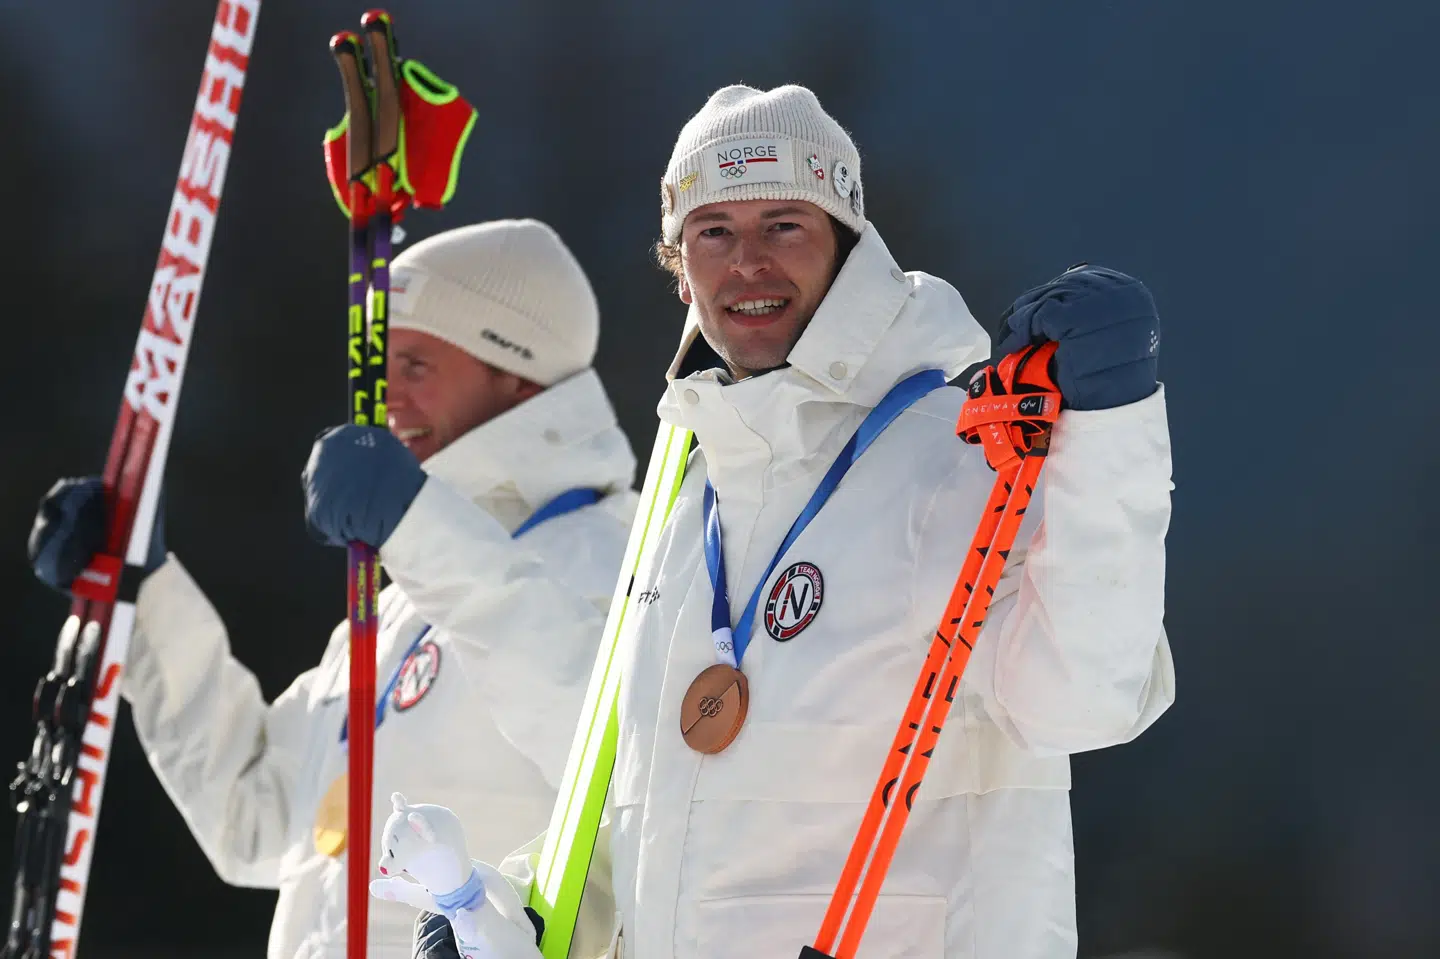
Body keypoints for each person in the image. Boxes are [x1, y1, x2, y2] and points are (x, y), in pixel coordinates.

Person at [406, 84, 1176, 959]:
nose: (748, 265)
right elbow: (658, 815)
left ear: (846, 246)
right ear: (678, 259)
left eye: (784, 225)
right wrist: (513, 913)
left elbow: (1084, 701)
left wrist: (1114, 427)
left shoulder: (949, 457)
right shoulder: (687, 492)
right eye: (714, 232)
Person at [27, 219, 640, 959]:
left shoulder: (611, 557)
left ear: (518, 374)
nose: (387, 396)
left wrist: (419, 527)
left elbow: (618, 762)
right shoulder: (402, 603)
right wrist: (144, 595)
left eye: (416, 364)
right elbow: (256, 816)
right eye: (381, 367)